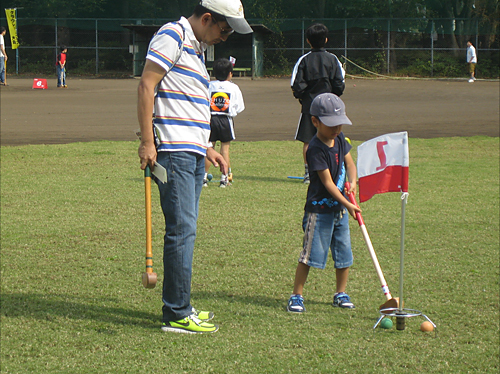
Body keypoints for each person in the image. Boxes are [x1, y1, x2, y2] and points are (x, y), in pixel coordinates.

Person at [137, 0, 252, 334]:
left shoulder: (197, 49)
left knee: (185, 230)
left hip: (190, 153)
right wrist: (148, 141)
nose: (225, 38)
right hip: (173, 154)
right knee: (181, 230)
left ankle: (181, 305)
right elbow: (147, 86)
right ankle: (176, 313)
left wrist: (205, 148)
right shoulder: (172, 35)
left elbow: (183, 103)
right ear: (207, 18)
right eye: (224, 29)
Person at [286, 93, 361, 314]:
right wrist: (347, 203)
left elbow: (351, 165)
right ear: (315, 121)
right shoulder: (315, 149)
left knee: (344, 254)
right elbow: (328, 183)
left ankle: (340, 293)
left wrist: (353, 183)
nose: (336, 129)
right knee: (310, 255)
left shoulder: (340, 139)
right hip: (319, 211)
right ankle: (296, 295)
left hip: (340, 211)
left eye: (339, 124)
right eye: (330, 125)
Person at [291, 23, 345, 184]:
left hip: (310, 107)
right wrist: (333, 97)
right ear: (326, 40)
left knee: (308, 140)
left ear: (308, 41)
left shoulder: (304, 60)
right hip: (330, 108)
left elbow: (296, 85)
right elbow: (339, 83)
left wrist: (304, 97)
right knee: (331, 138)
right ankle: (330, 172)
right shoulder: (333, 59)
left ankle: (309, 174)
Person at [203, 57, 245, 188]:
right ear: (230, 73)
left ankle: (203, 178)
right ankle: (224, 178)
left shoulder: (209, 85)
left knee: (209, 148)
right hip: (226, 120)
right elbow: (239, 106)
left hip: (210, 119)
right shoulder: (234, 87)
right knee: (225, 149)